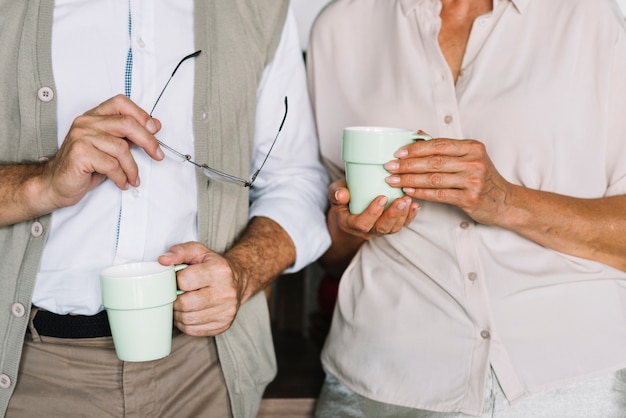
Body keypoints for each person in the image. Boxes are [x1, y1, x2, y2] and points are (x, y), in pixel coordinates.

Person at [0, 1, 331, 417]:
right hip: (30, 375)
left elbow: (297, 181)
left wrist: (242, 272)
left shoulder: (258, 9)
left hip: (205, 374)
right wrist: (41, 183)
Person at [306, 0, 626, 416]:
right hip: (382, 376)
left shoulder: (590, 19)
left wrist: (507, 202)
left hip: (568, 378)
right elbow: (330, 255)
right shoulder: (340, 27)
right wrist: (354, 223)